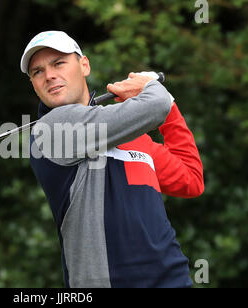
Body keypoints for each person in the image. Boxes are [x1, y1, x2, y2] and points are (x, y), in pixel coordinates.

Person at [21, 30, 204, 288]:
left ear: (84, 65)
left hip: (172, 280)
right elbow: (155, 104)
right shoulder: (51, 129)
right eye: (37, 72)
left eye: (58, 63)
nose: (49, 75)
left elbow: (190, 180)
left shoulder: (129, 134)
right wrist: (152, 89)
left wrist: (170, 108)